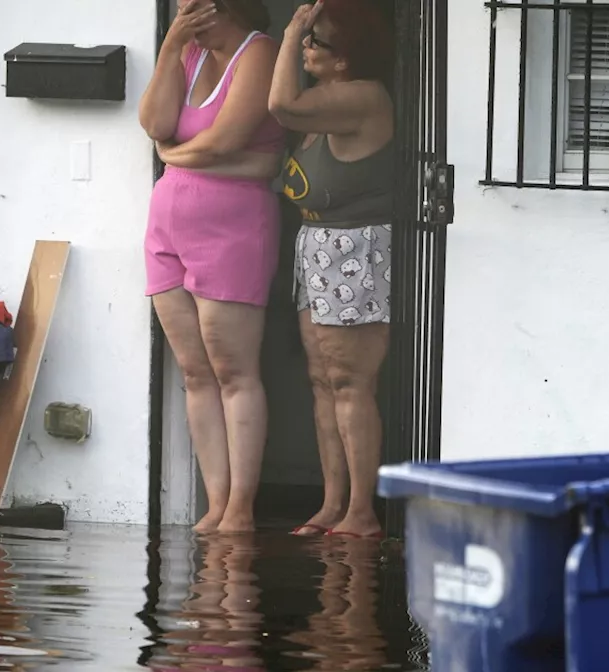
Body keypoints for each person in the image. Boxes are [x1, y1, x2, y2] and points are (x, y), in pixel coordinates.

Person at [138, 0, 285, 534]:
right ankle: (217, 503)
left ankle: (241, 507)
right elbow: (153, 121)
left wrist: (172, 154)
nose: (180, 5)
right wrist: (171, 46)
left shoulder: (258, 52)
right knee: (194, 372)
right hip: (168, 228)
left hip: (233, 230)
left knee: (233, 370)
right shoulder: (189, 53)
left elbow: (226, 138)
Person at [269, 0, 395, 539]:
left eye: (315, 40)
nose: (304, 45)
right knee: (322, 381)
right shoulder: (324, 104)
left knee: (350, 381)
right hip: (316, 247)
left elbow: (279, 105)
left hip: (355, 248)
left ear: (345, 59)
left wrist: (291, 24)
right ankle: (332, 504)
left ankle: (362, 512)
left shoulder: (362, 97)